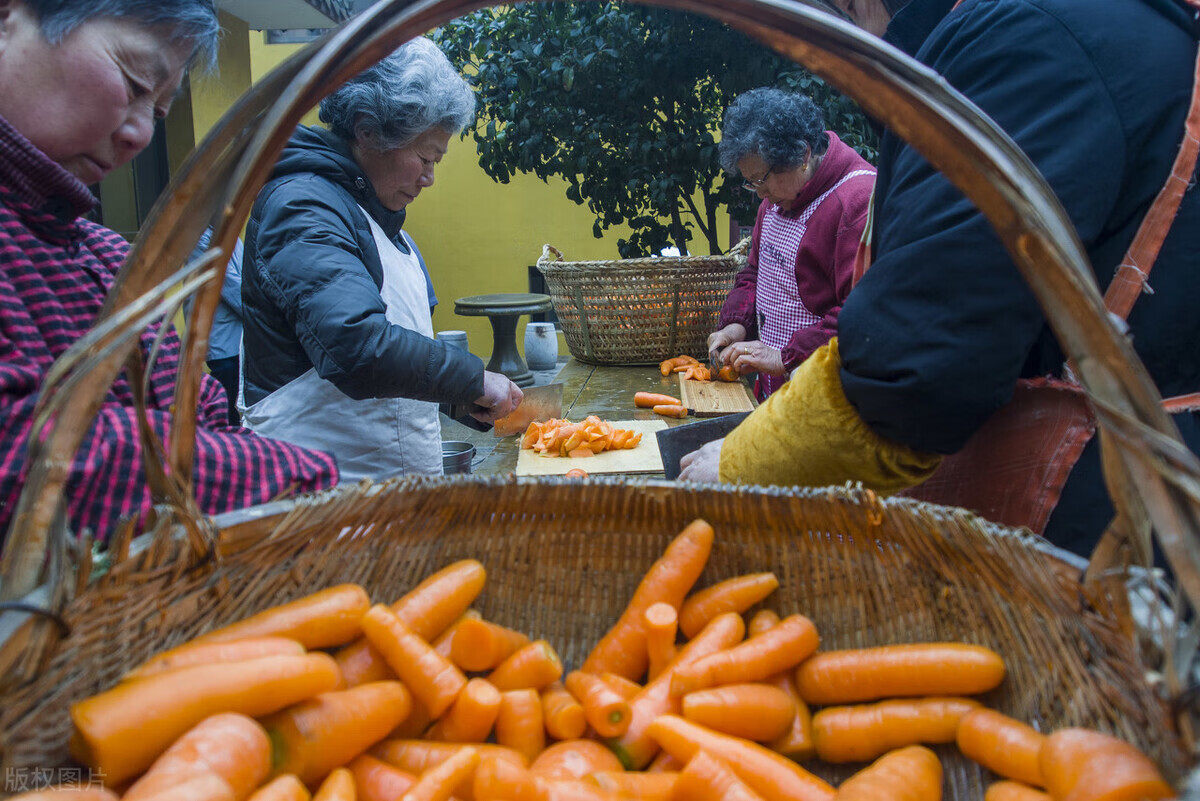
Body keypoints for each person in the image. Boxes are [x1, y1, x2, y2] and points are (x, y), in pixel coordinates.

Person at [680, 0, 1200, 559]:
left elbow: (920, 352)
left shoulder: (1027, 38)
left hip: (1113, 524)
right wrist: (738, 323)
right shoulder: (1099, 28)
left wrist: (747, 461)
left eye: (842, 29)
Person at [0, 0, 339, 545]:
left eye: (158, 112)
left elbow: (198, 404)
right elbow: (27, 461)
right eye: (134, 82)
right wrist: (294, 475)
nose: (139, 135)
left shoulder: (110, 258)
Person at [241, 37, 522, 480]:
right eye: (424, 156)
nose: (429, 178)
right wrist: (471, 378)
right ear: (368, 130)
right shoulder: (302, 207)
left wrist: (457, 398)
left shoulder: (384, 225)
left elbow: (398, 359)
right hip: (318, 500)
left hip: (388, 499)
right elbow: (355, 345)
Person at [708, 88, 875, 400]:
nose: (759, 193)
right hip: (774, 392)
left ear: (802, 155)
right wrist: (736, 325)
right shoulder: (777, 198)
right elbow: (755, 275)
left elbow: (862, 316)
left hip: (825, 398)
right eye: (750, 181)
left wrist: (786, 357)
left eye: (762, 179)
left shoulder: (858, 202)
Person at [188, 227, 245, 424]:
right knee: (226, 400)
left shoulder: (228, 230)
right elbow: (229, 284)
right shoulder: (200, 236)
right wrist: (261, 312)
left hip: (237, 332)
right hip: (221, 333)